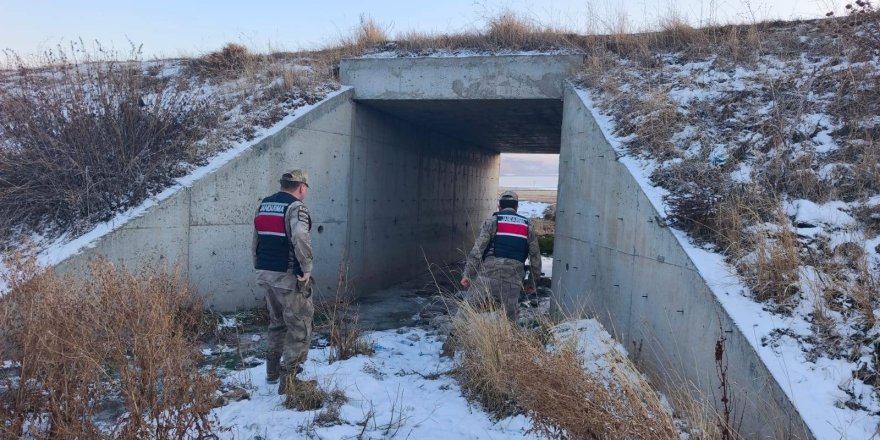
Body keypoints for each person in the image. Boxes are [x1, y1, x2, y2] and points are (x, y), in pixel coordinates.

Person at [252, 169, 314, 394]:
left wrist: (259, 266)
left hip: (265, 273)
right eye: (305, 188)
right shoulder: (296, 208)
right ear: (301, 187)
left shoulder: (264, 204)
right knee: (300, 325)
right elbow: (300, 237)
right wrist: (306, 269)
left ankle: (272, 373)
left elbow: (256, 239)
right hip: (287, 276)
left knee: (277, 322)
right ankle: (289, 382)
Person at [460, 190, 541, 321]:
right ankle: (508, 341)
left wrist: (468, 275)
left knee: (465, 313)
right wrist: (532, 283)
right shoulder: (528, 226)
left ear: (499, 206)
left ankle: (453, 339)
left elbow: (477, 251)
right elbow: (535, 258)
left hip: (487, 276)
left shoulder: (492, 221)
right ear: (516, 207)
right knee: (510, 320)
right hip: (513, 279)